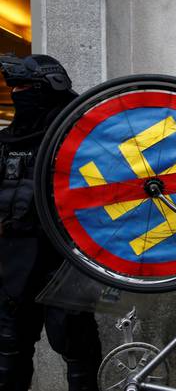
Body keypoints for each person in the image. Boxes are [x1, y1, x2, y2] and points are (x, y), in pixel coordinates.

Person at [0, 54, 102, 391]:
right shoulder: (8, 140)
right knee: (9, 344)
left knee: (77, 346)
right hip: (13, 261)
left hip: (65, 260)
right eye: (14, 87)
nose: (18, 93)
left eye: (26, 87)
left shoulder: (80, 137)